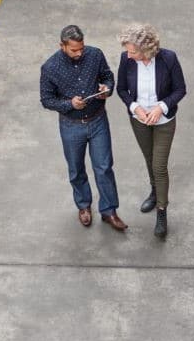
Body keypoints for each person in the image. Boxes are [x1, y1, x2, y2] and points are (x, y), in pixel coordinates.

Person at [40, 25, 127, 231]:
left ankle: (109, 211)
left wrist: (107, 89)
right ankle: (84, 206)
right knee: (76, 169)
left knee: (104, 167)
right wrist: (69, 104)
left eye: (81, 48)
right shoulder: (50, 67)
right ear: (62, 46)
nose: (79, 53)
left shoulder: (95, 55)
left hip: (98, 121)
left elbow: (107, 76)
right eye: (74, 50)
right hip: (71, 126)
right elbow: (46, 99)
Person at [116, 24, 186, 239]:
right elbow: (121, 89)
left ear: (146, 49)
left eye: (133, 51)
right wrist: (134, 107)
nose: (129, 55)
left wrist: (161, 107)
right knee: (149, 159)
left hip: (164, 120)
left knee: (159, 165)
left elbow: (180, 89)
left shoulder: (168, 59)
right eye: (128, 50)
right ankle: (155, 193)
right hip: (139, 120)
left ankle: (162, 211)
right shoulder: (126, 60)